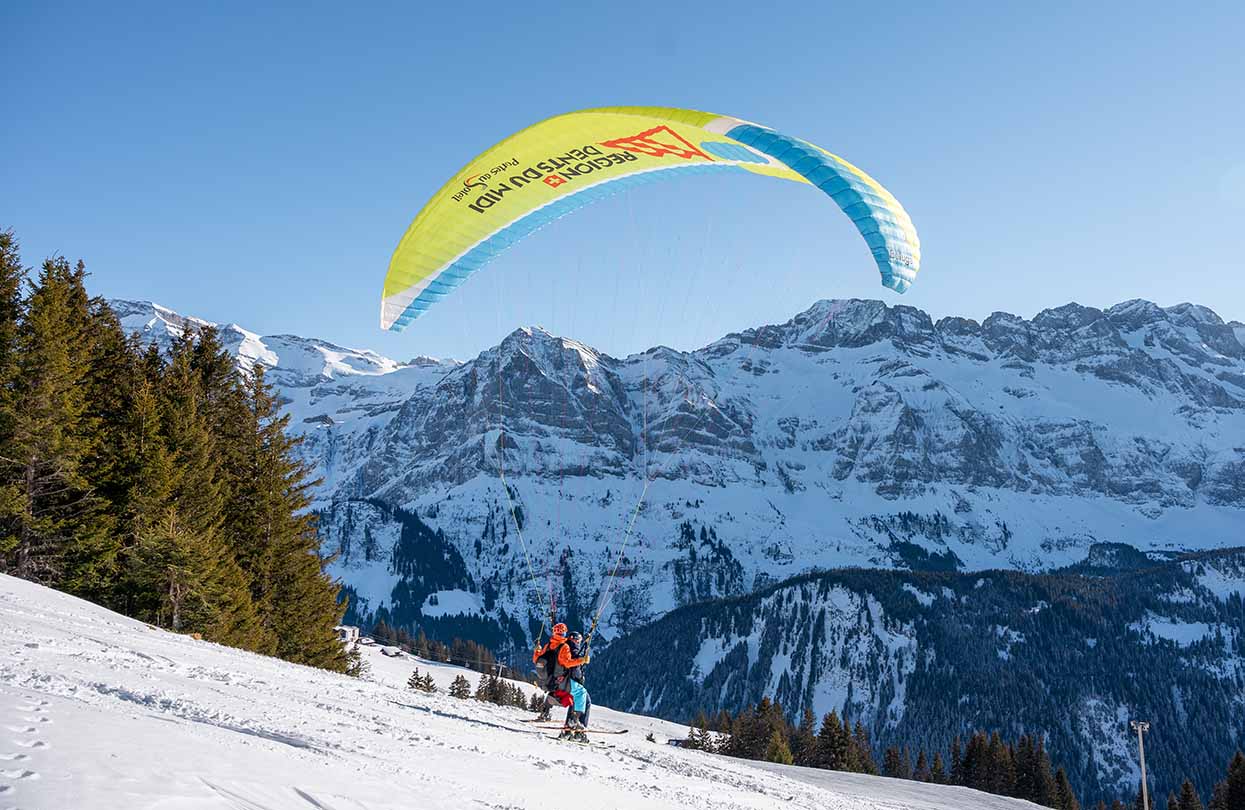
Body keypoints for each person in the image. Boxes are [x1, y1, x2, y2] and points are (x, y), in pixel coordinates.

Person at [531, 622, 590, 739]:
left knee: (577, 696)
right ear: (564, 633)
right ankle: (574, 721)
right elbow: (567, 662)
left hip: (551, 681)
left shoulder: (548, 646)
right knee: (581, 693)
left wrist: (536, 651)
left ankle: (569, 727)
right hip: (563, 682)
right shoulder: (564, 646)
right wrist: (582, 660)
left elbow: (536, 660)